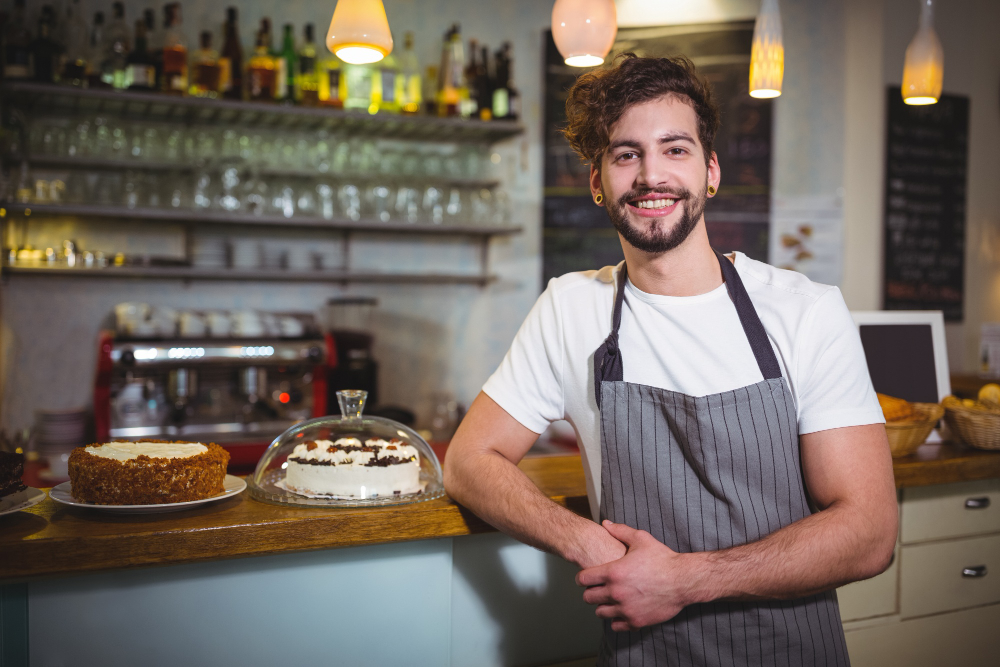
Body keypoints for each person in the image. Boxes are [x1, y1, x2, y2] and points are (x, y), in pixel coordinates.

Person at [444, 54, 897, 664]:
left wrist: (685, 580)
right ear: (598, 181)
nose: (651, 175)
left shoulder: (805, 312)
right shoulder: (571, 309)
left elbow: (870, 532)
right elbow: (469, 461)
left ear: (711, 172)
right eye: (626, 153)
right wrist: (584, 542)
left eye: (675, 149)